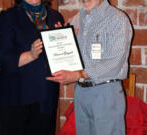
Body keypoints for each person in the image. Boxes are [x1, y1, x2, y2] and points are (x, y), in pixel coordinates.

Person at [46, 0, 133, 134]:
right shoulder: (76, 19)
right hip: (81, 92)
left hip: (106, 93)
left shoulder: (118, 19)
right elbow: (71, 57)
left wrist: (77, 75)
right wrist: (63, 38)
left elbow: (114, 63)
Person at [0, 0, 64, 135]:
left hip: (45, 99)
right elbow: (3, 59)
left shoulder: (55, 16)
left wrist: (67, 40)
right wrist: (30, 55)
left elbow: (59, 57)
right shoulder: (8, 17)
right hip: (15, 99)